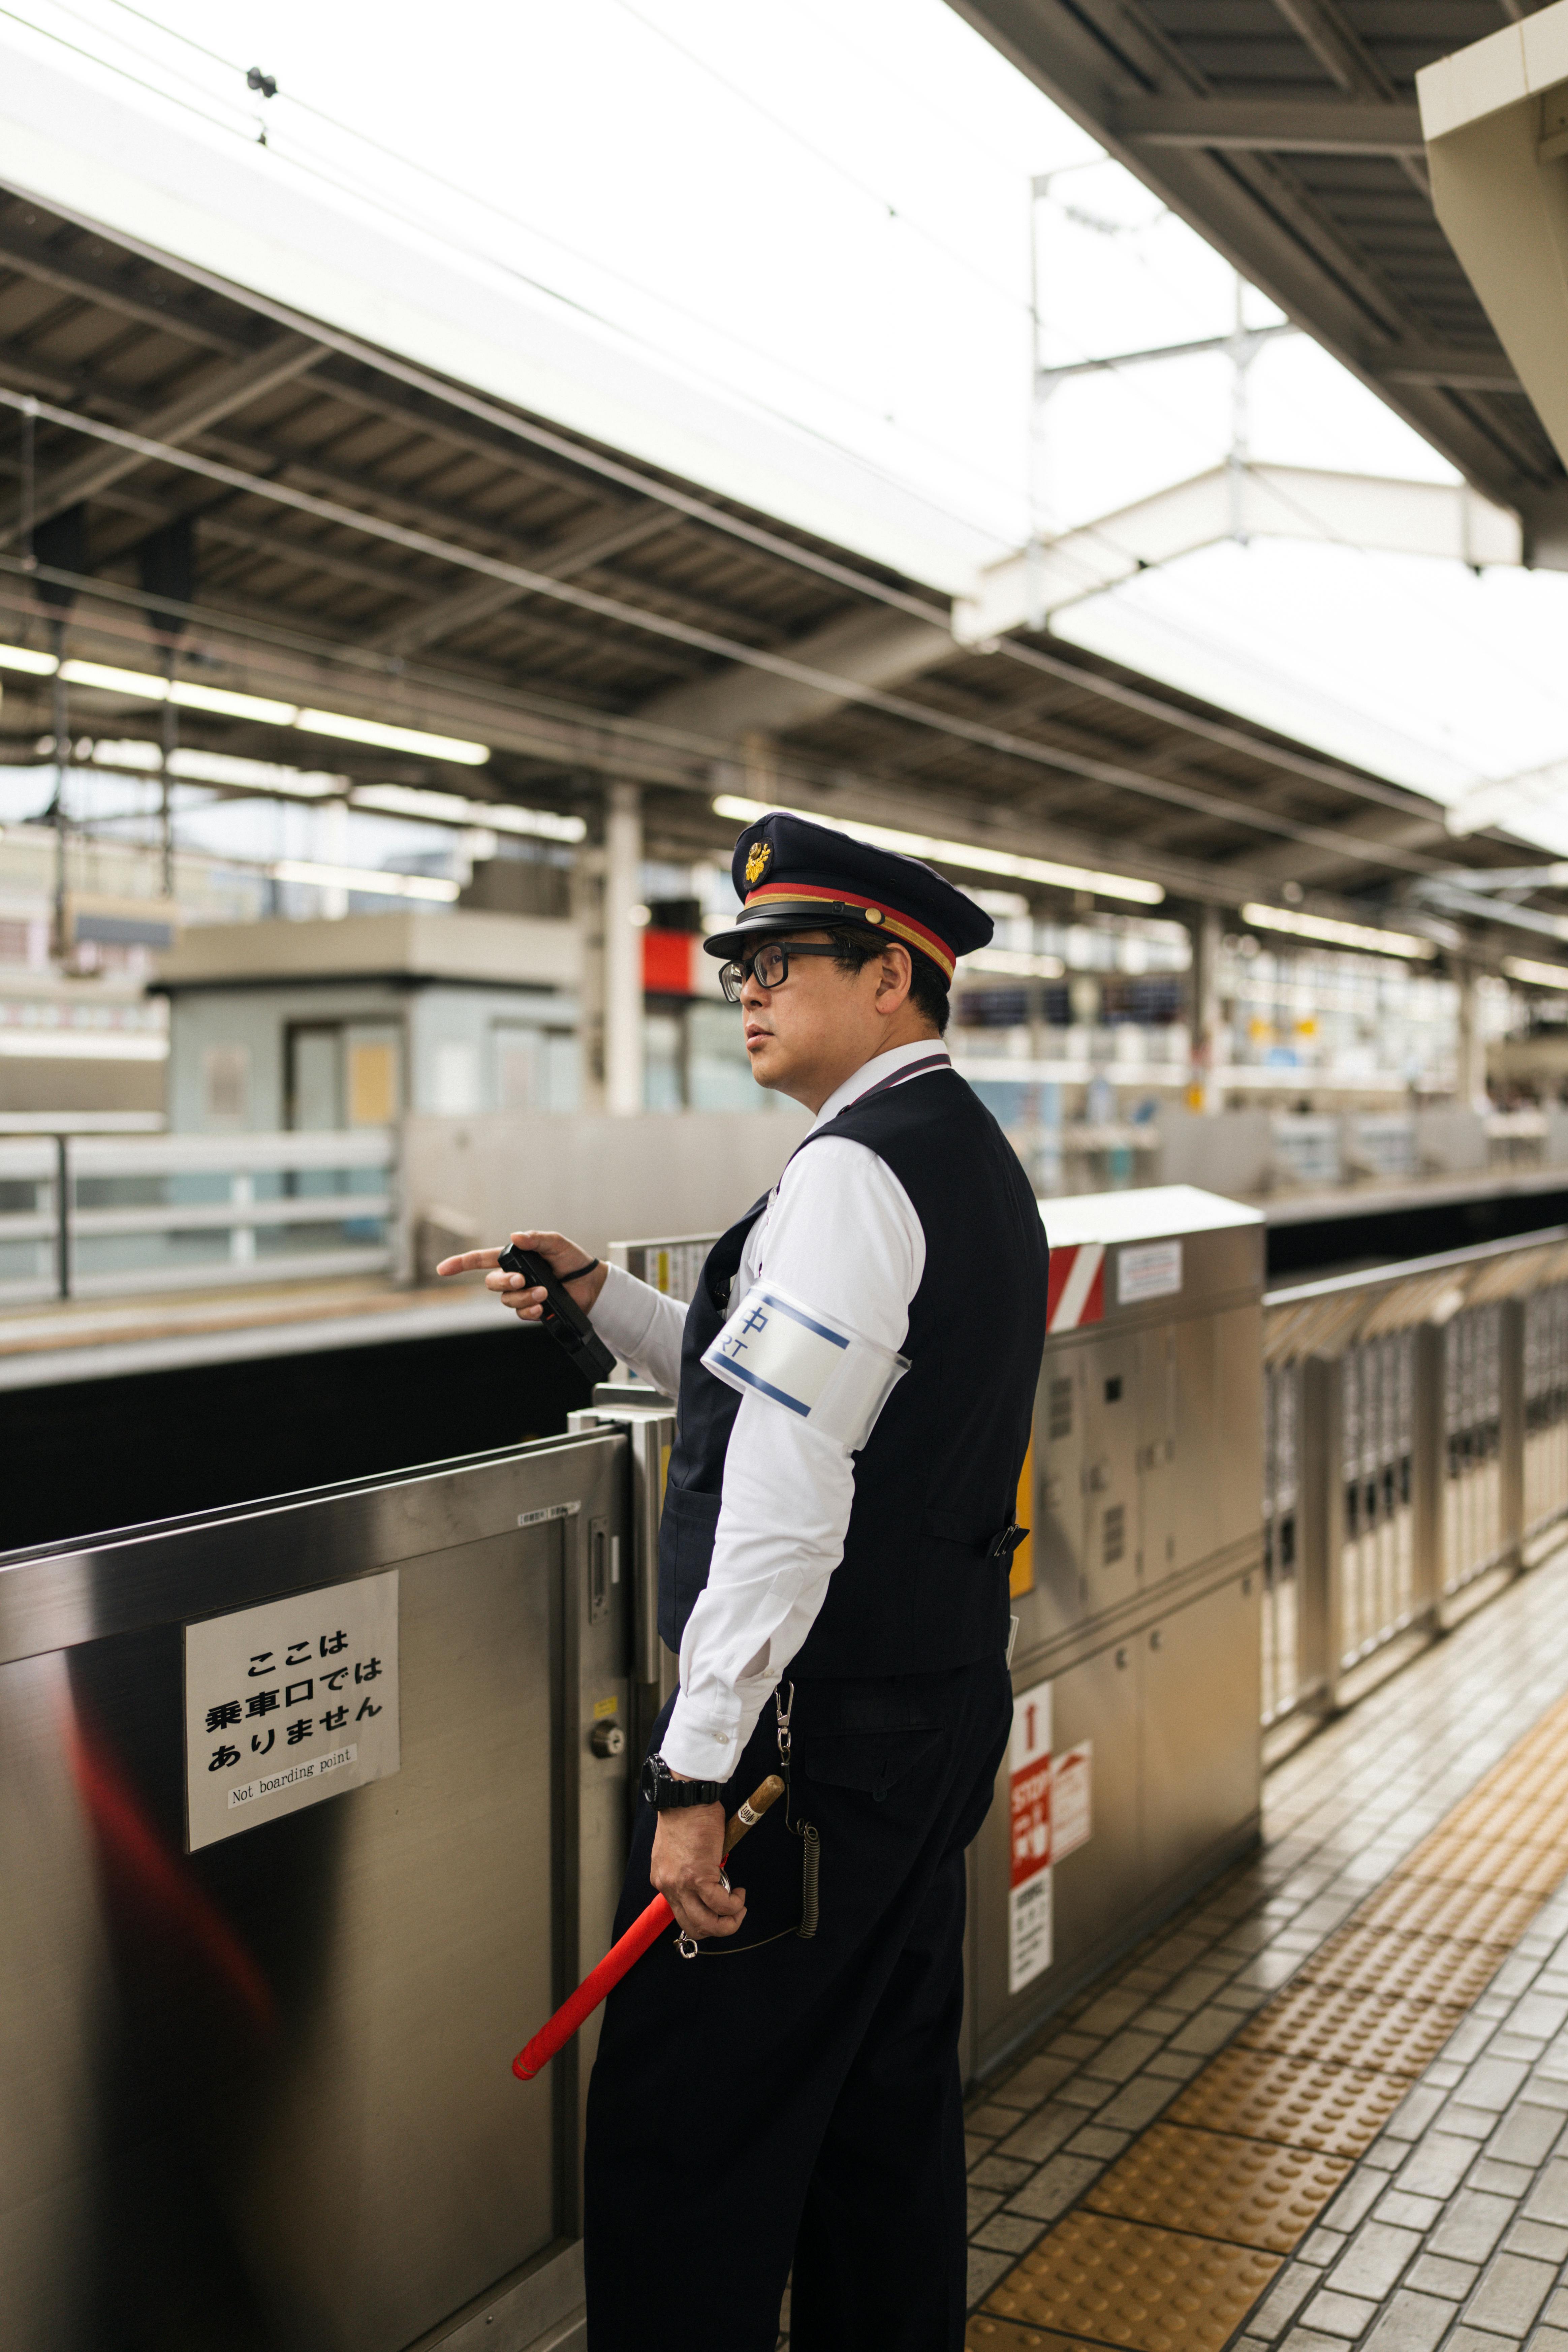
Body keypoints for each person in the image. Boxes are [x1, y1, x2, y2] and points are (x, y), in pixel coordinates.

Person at [440, 810, 1048, 2352]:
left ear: (894, 976)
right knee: (873, 2116)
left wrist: (695, 1768)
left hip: (810, 1757)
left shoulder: (851, 1173)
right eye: (741, 971)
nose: (750, 993)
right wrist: (597, 1302)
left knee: (683, 2140)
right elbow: (768, 1378)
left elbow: (784, 1496)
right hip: (927, 1713)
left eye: (783, 962)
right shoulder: (955, 1150)